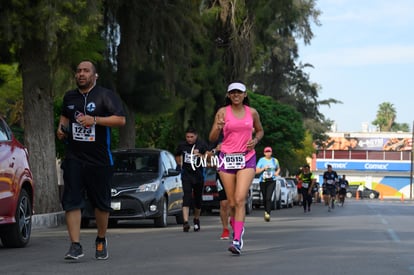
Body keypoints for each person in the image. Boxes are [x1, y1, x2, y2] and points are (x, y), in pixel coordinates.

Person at [56, 61, 126, 260]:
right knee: (72, 201)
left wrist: (94, 120)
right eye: (78, 71)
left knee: (101, 204)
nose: (81, 74)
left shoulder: (105, 95)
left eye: (86, 71)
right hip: (74, 158)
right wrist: (61, 129)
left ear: (94, 76)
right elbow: (64, 117)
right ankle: (75, 245)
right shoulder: (69, 96)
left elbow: (120, 120)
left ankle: (101, 239)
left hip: (100, 160)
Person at [209, 81, 264, 255]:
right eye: (232, 92)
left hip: (246, 158)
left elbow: (260, 131)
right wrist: (218, 128)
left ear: (245, 94)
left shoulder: (252, 112)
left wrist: (254, 140)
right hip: (226, 159)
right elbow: (212, 137)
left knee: (240, 199)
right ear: (228, 95)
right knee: (231, 202)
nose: (236, 95)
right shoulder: (222, 112)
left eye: (239, 92)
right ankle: (237, 227)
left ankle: (237, 239)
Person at [175, 127, 208, 232]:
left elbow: (209, 157)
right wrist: (180, 163)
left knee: (197, 200)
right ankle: (185, 222)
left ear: (196, 136)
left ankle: (196, 219)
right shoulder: (182, 145)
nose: (189, 139)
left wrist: (201, 155)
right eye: (187, 137)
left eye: (191, 137)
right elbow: (177, 154)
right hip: (186, 175)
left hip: (198, 176)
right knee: (187, 197)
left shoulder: (201, 144)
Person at [255, 146, 280, 222]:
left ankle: (268, 213)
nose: (268, 153)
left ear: (271, 153)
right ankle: (266, 210)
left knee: (268, 198)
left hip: (272, 181)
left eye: (269, 152)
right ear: (264, 153)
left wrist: (277, 173)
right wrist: (263, 168)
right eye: (266, 152)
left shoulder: (274, 160)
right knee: (265, 197)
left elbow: (278, 168)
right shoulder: (261, 160)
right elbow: (256, 171)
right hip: (263, 181)